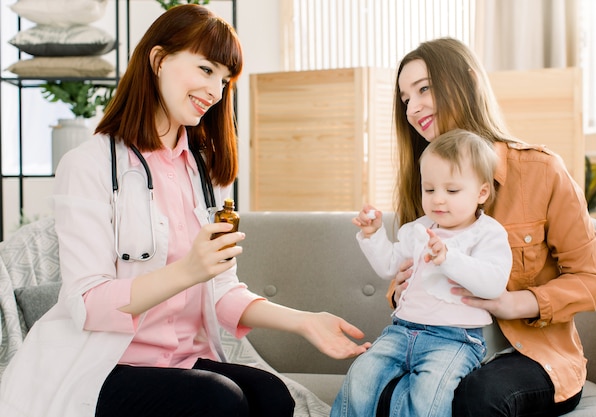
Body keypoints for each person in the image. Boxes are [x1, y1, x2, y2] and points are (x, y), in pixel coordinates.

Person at [0, 5, 370, 417]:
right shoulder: (88, 165)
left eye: (225, 80)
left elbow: (222, 290)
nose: (215, 91)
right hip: (104, 365)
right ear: (158, 60)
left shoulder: (204, 170)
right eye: (206, 69)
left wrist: (304, 322)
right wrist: (188, 270)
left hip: (178, 362)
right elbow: (87, 304)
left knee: (273, 394)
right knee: (217, 399)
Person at [380, 37, 596, 417]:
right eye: (405, 99)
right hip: (440, 344)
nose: (413, 107)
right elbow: (403, 274)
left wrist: (514, 302)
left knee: (478, 395)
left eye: (424, 88)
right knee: (384, 395)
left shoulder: (541, 170)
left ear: (467, 82)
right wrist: (399, 286)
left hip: (530, 356)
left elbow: (593, 279)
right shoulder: (422, 186)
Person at [331, 129, 512, 417]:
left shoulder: (487, 234)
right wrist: (373, 235)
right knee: (359, 379)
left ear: (481, 192)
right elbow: (388, 265)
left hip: (455, 340)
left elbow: (493, 284)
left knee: (428, 400)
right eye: (429, 189)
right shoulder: (419, 229)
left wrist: (449, 258)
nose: (438, 200)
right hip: (401, 331)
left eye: (451, 191)